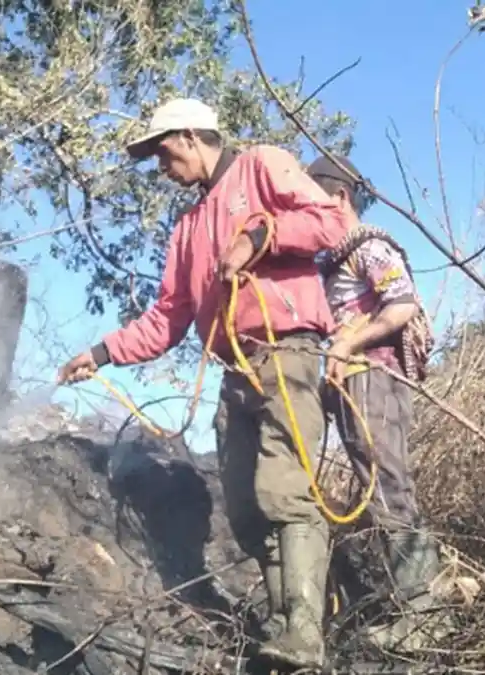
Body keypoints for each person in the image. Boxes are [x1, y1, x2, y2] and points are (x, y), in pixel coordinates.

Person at [57, 98, 347, 668]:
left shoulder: (262, 165)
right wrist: (100, 352)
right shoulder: (188, 227)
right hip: (236, 371)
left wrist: (260, 234)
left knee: (283, 492)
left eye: (163, 155)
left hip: (286, 353)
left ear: (191, 137)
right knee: (243, 507)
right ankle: (284, 620)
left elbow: (332, 221)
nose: (162, 170)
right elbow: (167, 318)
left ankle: (306, 634)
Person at [305, 154, 452, 652]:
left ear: (339, 198)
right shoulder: (334, 259)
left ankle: (425, 612)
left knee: (388, 487)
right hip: (356, 384)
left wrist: (347, 345)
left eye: (314, 200)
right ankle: (411, 601)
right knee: (377, 485)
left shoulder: (368, 247)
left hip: (375, 378)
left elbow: (403, 302)